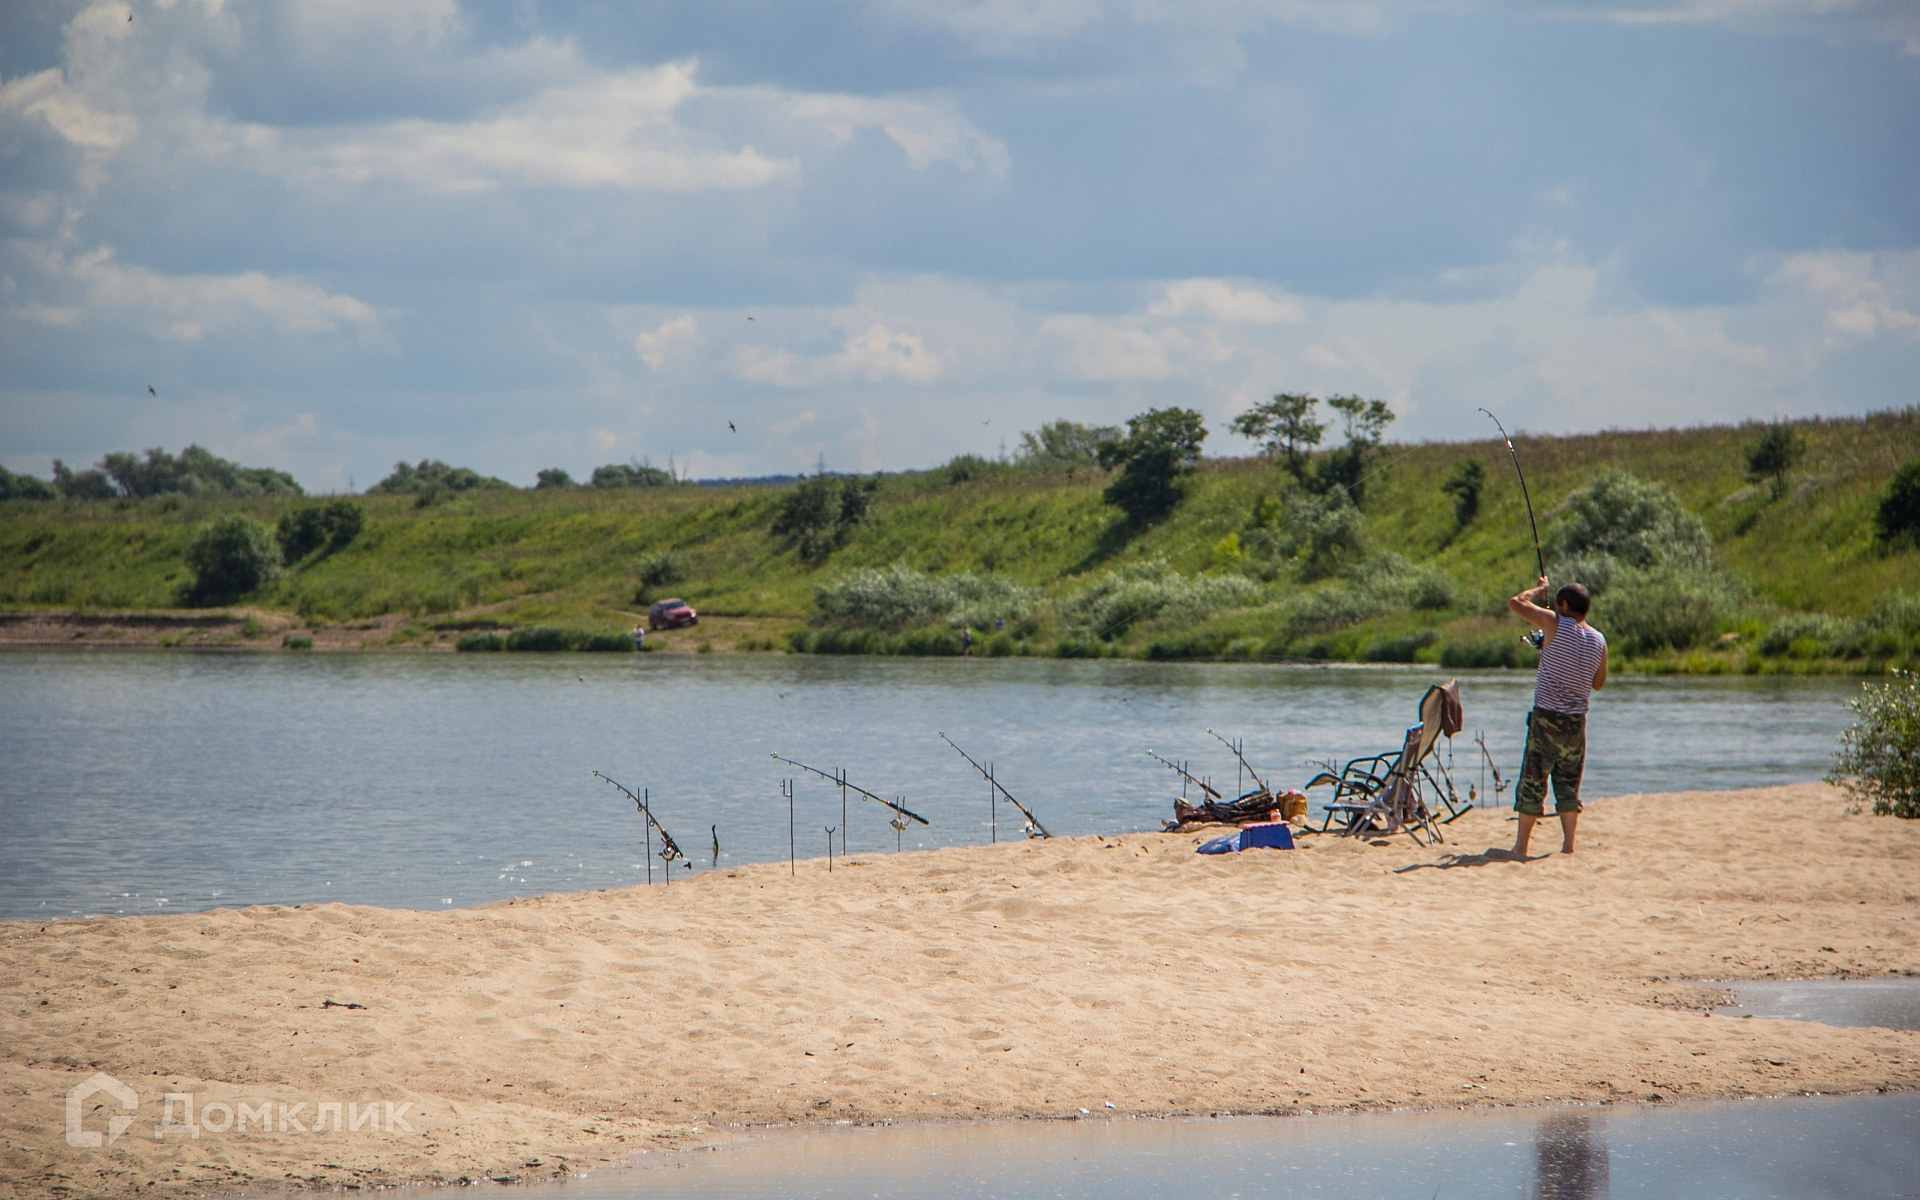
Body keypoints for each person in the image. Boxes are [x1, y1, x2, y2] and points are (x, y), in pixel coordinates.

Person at [1505, 576, 1607, 858]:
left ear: (1563, 605)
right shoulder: (1599, 640)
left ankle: (1521, 847)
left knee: (1533, 783)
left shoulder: (1554, 623)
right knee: (1568, 786)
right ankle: (1568, 845)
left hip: (1546, 720)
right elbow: (1598, 683)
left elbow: (1516, 603)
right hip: (1576, 725)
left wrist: (1539, 590)